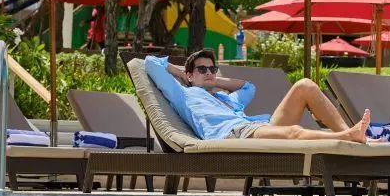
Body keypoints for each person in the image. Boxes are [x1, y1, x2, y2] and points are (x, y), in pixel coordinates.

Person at [145, 49, 371, 143]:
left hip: (252, 127)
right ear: (190, 75)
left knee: (305, 85)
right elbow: (151, 64)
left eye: (212, 69)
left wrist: (214, 80)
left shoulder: (225, 99)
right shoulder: (185, 95)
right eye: (202, 69)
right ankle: (347, 137)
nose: (208, 73)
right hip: (232, 135)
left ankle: (350, 134)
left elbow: (249, 88)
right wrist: (183, 76)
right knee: (293, 132)